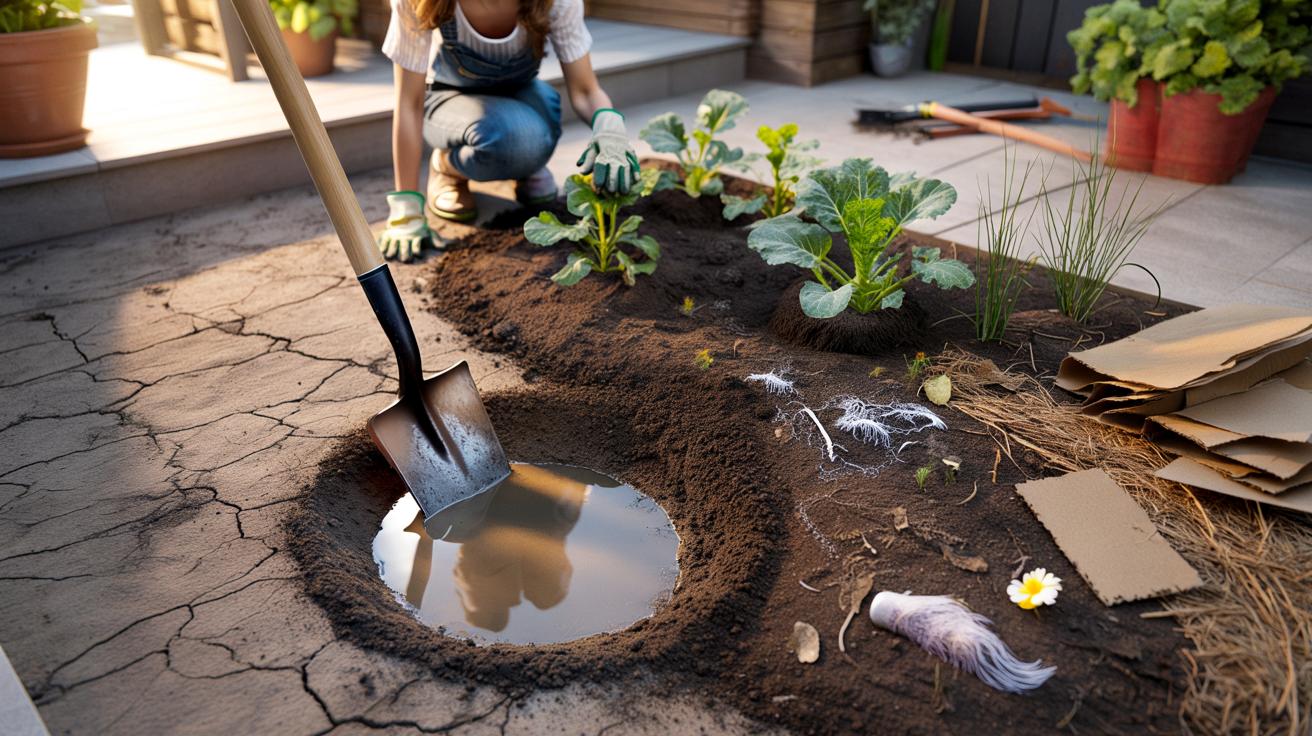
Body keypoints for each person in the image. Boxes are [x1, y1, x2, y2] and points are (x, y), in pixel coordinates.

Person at [375, 0, 640, 261]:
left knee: (545, 113)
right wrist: (406, 207)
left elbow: (585, 90)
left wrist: (609, 127)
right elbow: (409, 103)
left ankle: (523, 159)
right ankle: (446, 166)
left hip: (519, 92)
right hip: (448, 100)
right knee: (518, 140)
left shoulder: (558, 3)